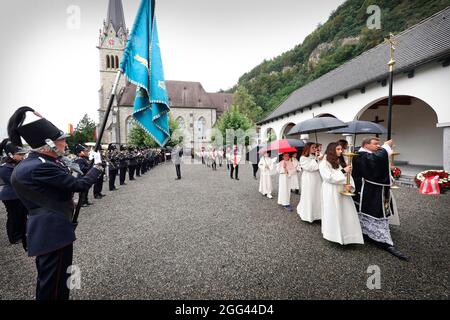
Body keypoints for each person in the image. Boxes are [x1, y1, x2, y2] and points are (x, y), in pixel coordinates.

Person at [7, 106, 103, 300]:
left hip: (50, 228)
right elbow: (77, 184)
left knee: (54, 280)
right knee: (54, 284)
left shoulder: (38, 162)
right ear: (49, 144)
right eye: (61, 140)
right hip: (52, 231)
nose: (65, 143)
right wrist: (97, 168)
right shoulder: (39, 166)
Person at [352, 137, 407, 260]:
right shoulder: (360, 155)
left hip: (376, 190)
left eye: (379, 144)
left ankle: (373, 234)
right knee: (374, 211)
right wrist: (386, 146)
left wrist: (389, 169)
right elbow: (376, 160)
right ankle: (382, 240)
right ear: (366, 145)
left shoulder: (369, 154)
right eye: (375, 144)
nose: (378, 146)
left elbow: (378, 165)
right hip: (367, 190)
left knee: (377, 211)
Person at [319, 142, 364, 245]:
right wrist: (344, 171)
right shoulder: (324, 163)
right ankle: (333, 235)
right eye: (338, 149)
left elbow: (347, 176)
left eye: (341, 149)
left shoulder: (339, 161)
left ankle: (348, 236)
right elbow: (328, 177)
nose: (341, 151)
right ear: (331, 150)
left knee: (346, 212)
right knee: (334, 212)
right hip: (331, 190)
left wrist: (349, 184)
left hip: (342, 189)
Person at [0, 139, 28, 251]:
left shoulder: (18, 164)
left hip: (18, 195)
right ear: (11, 155)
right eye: (19, 154)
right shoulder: (5, 167)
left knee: (21, 216)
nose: (22, 156)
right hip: (11, 196)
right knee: (13, 217)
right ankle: (14, 237)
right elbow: (14, 181)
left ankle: (21, 234)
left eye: (22, 154)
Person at [297, 143, 322, 223]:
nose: (315, 149)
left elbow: (320, 166)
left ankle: (318, 215)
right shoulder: (303, 158)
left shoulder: (315, 156)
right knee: (309, 195)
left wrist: (319, 159)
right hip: (308, 178)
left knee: (317, 195)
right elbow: (309, 168)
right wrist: (316, 160)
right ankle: (308, 215)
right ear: (308, 148)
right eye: (313, 147)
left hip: (317, 178)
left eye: (315, 147)